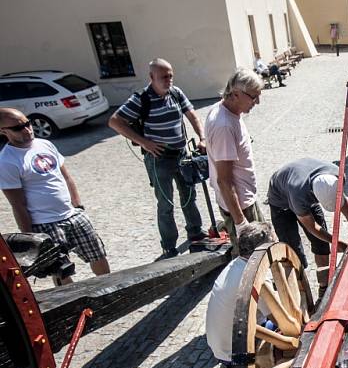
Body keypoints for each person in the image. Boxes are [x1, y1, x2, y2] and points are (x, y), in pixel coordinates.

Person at [109, 58, 206, 259]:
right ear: (152, 77)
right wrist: (144, 142)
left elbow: (192, 115)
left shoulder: (176, 93)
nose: (168, 80)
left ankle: (195, 232)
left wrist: (202, 137)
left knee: (189, 195)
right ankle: (169, 245)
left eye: (170, 75)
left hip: (181, 154)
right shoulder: (141, 99)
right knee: (166, 204)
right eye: (163, 77)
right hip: (159, 158)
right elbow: (115, 122)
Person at [0, 107, 110, 284]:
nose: (27, 130)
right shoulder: (6, 161)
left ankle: (109, 290)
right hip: (45, 224)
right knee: (60, 270)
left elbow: (66, 177)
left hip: (72, 214)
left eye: (27, 123)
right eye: (18, 128)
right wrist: (29, 237)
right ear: (3, 131)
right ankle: (73, 306)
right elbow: (17, 204)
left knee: (98, 255)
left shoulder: (45, 144)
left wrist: (78, 207)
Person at [267, 158, 348, 296]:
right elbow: (312, 227)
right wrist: (337, 243)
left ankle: (324, 286)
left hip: (303, 188)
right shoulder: (299, 194)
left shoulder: (337, 175)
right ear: (313, 194)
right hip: (281, 203)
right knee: (292, 250)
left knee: (321, 245)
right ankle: (299, 288)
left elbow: (342, 200)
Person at [205, 69, 264, 256]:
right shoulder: (224, 125)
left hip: (245, 200)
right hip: (241, 207)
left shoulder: (228, 113)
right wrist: (240, 223)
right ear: (236, 94)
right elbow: (224, 180)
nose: (257, 102)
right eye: (254, 97)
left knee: (262, 251)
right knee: (252, 259)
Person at [206, 221, 275, 366]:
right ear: (263, 250)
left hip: (220, 350)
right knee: (276, 327)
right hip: (238, 356)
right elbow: (277, 317)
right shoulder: (257, 278)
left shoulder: (234, 265)